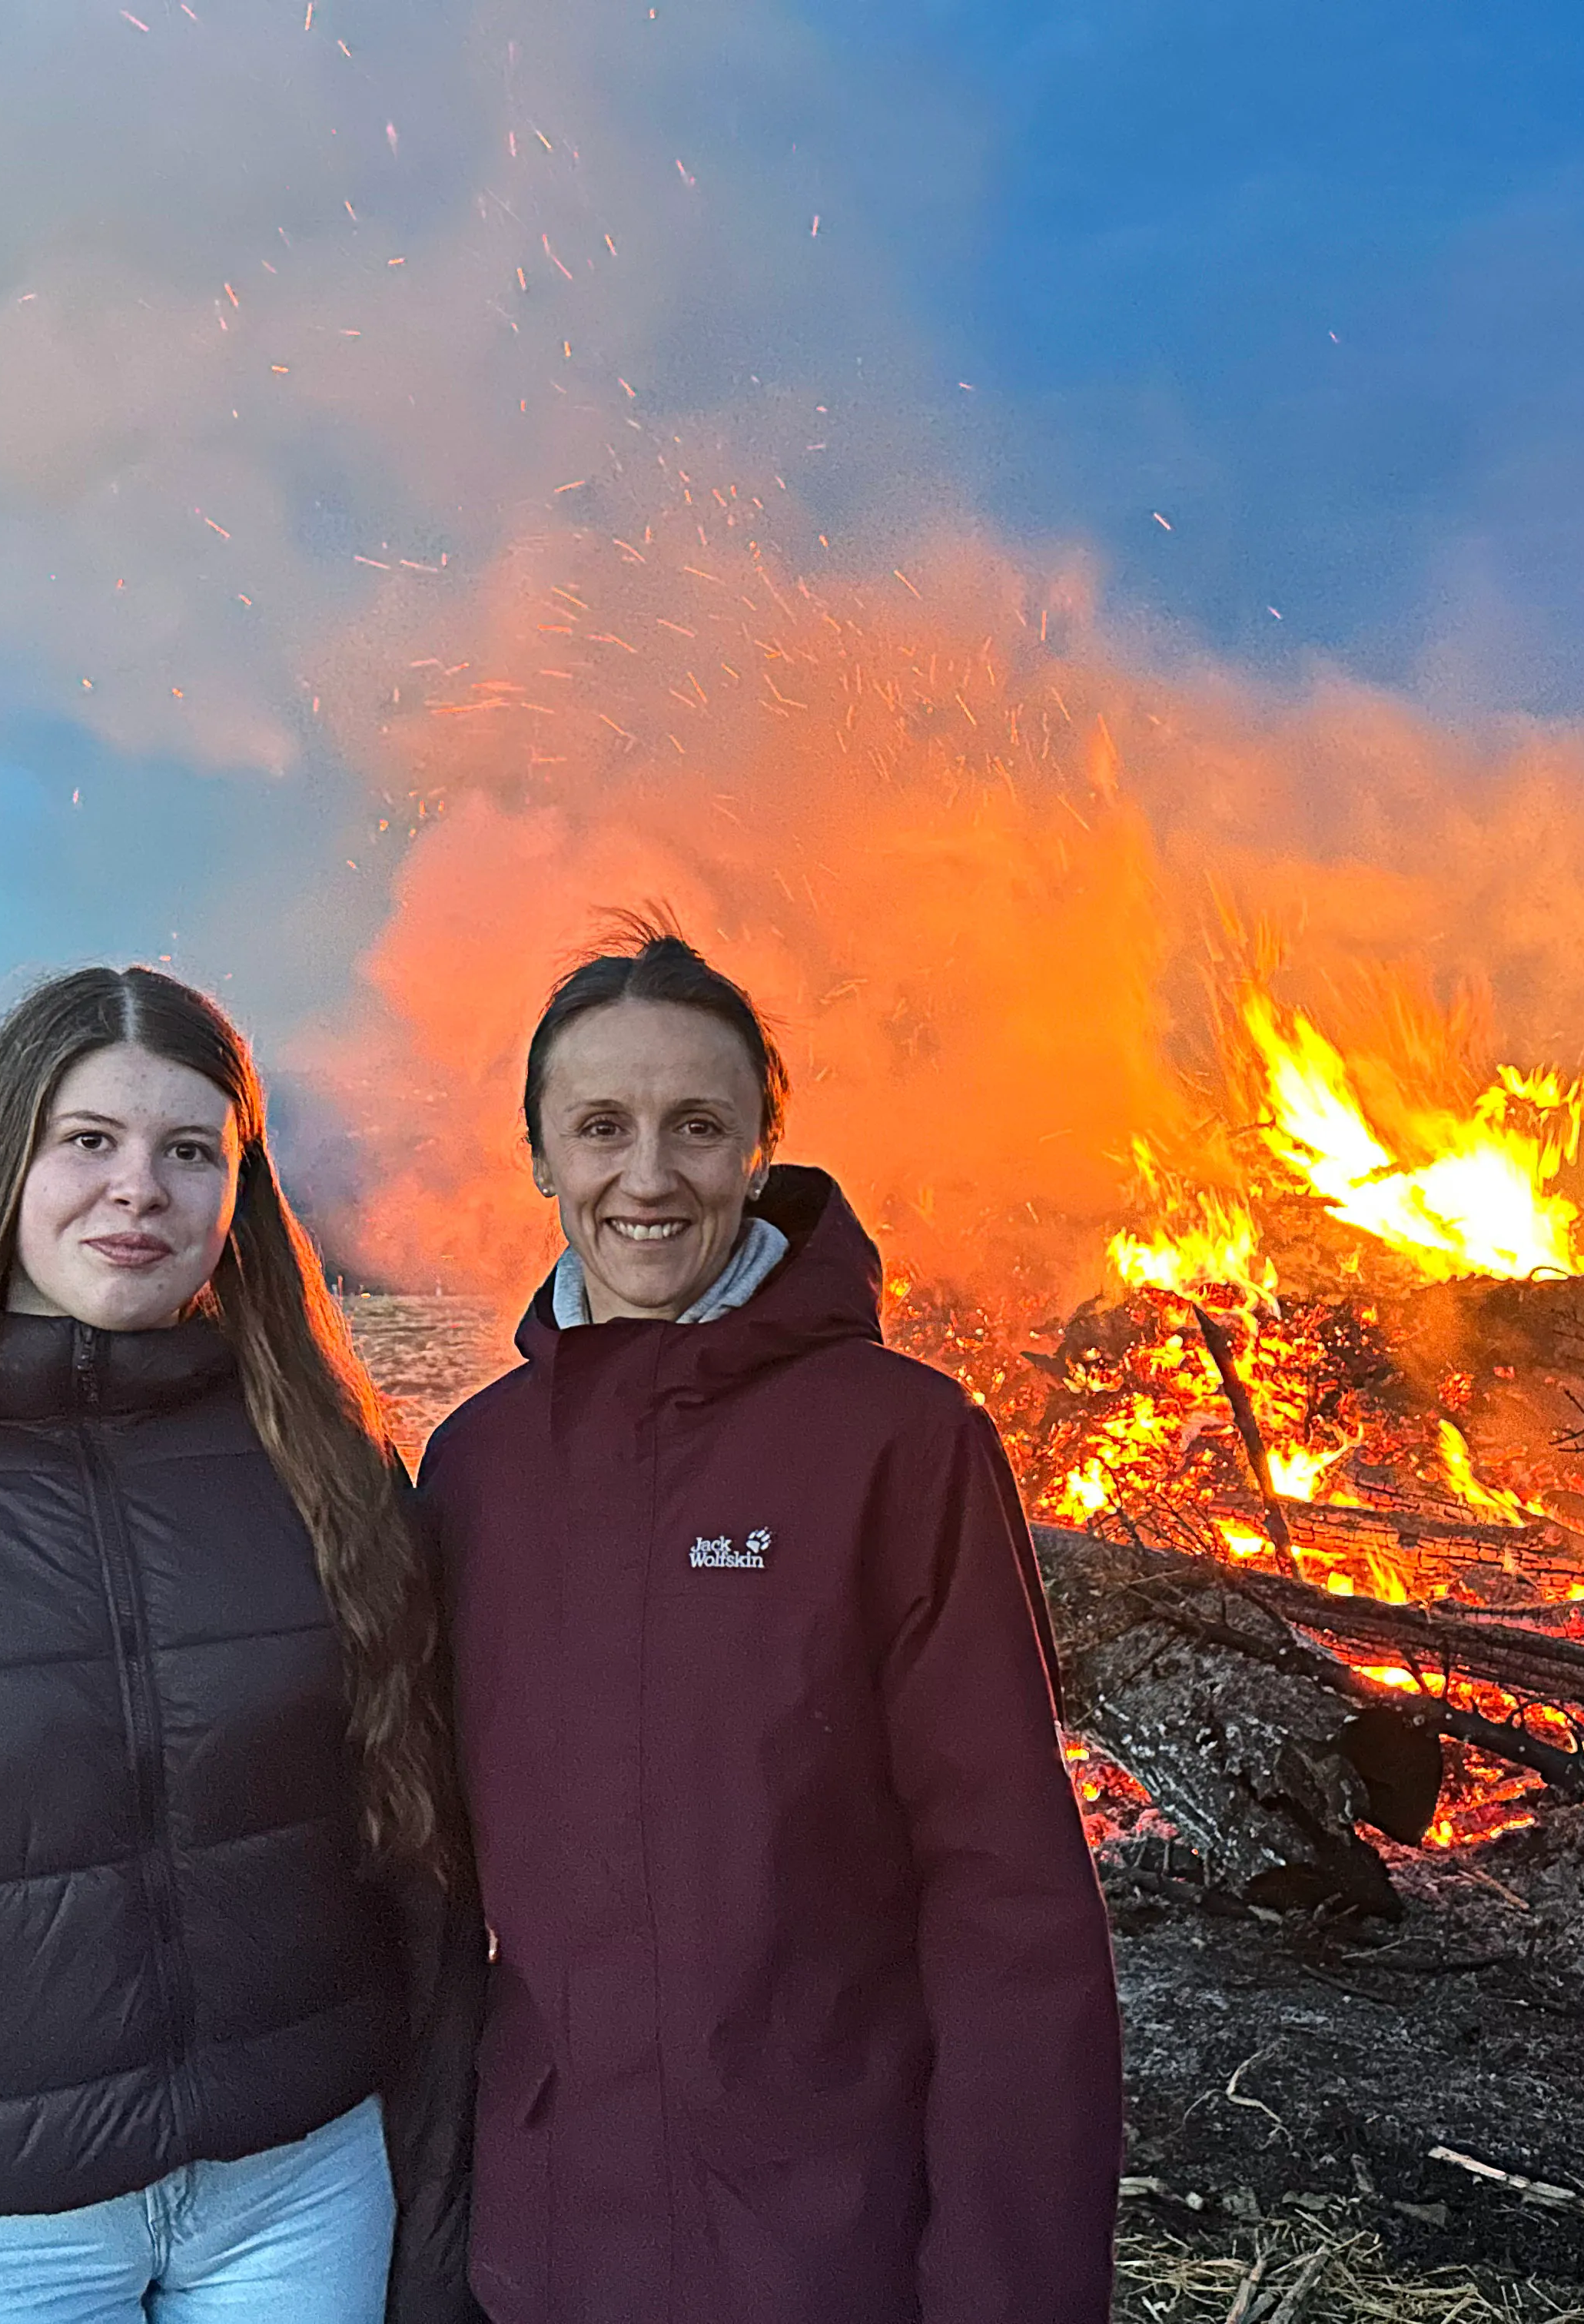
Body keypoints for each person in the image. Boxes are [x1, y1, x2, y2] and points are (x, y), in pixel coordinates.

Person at [0, 964, 479, 2324]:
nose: (140, 1190)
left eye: (191, 1151)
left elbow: (411, 1849)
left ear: (241, 1196)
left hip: (298, 2185)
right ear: (7, 1159)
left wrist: (439, 2167)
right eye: (91, 1141)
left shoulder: (328, 1461)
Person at [416, 922, 1127, 2324]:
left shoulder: (900, 1447)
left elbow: (1013, 1915)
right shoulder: (476, 1469)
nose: (648, 1174)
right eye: (601, 1126)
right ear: (540, 1156)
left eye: (698, 1126)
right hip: (545, 2247)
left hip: (822, 2246)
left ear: (761, 1145)